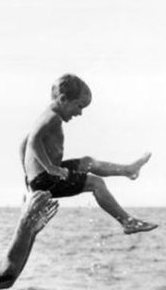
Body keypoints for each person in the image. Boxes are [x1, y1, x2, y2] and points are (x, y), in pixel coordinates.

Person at [19, 73, 158, 235]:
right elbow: (33, 142)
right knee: (96, 183)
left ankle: (128, 170)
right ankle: (127, 222)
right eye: (79, 106)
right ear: (63, 99)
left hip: (40, 178)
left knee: (87, 162)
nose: (80, 113)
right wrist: (50, 168)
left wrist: (28, 178)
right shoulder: (52, 118)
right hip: (45, 179)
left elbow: (23, 144)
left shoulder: (45, 115)